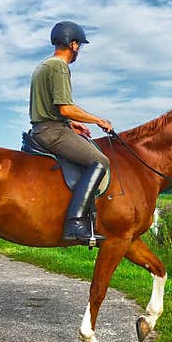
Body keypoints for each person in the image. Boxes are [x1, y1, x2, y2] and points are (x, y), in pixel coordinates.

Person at [29, 20, 113, 244]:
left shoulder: (43, 66)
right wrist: (98, 120)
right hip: (52, 132)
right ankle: (76, 222)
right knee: (100, 161)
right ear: (73, 44)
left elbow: (53, 109)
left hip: (45, 126)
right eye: (79, 46)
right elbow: (65, 107)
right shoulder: (59, 66)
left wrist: (71, 123)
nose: (79, 51)